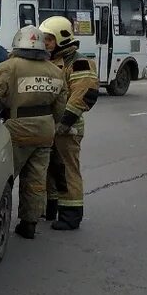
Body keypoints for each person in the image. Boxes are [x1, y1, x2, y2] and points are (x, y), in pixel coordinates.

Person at [0, 26, 68, 239]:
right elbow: (60, 108)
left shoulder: (10, 67)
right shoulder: (55, 71)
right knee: (36, 179)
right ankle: (29, 223)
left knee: (4, 178)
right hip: (45, 131)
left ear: (17, 44)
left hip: (17, 129)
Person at [40, 15, 99, 231]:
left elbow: (82, 95)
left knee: (66, 171)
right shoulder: (48, 60)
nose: (44, 43)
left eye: (49, 39)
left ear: (61, 39)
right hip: (49, 126)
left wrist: (64, 123)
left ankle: (71, 215)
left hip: (67, 127)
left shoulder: (79, 62)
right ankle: (51, 208)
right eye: (43, 39)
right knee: (51, 169)